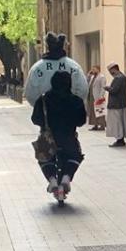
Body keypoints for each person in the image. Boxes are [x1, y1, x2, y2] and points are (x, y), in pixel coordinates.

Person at [31, 69, 89, 201]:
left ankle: (52, 180)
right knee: (75, 156)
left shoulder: (43, 99)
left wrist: (45, 124)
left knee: (44, 158)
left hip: (48, 138)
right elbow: (81, 121)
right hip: (68, 137)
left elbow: (35, 119)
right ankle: (66, 178)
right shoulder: (76, 100)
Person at [24, 33, 89, 109]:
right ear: (63, 46)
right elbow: (83, 90)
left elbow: (30, 93)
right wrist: (74, 105)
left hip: (46, 113)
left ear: (47, 47)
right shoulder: (74, 66)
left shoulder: (36, 68)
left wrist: (41, 107)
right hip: (70, 112)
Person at [104, 63, 126, 146]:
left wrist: (107, 88)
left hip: (116, 104)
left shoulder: (119, 78)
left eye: (110, 71)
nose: (110, 73)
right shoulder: (122, 77)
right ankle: (120, 139)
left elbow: (114, 90)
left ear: (114, 69)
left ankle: (119, 139)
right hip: (121, 103)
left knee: (117, 123)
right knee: (120, 122)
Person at [88, 65, 109, 130]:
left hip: (98, 96)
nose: (93, 70)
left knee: (100, 111)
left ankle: (102, 125)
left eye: (94, 69)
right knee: (93, 111)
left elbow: (103, 87)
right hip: (92, 96)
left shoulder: (101, 77)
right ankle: (95, 125)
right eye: (92, 69)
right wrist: (89, 75)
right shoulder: (92, 77)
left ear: (98, 69)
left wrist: (101, 96)